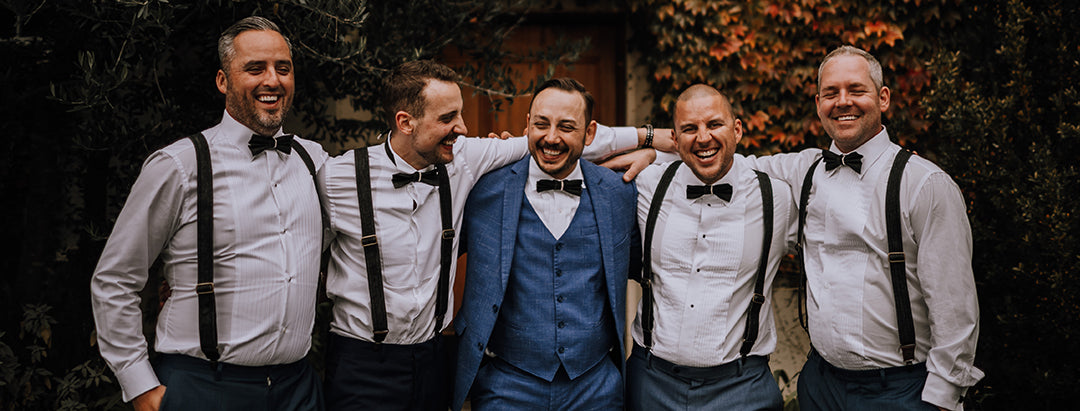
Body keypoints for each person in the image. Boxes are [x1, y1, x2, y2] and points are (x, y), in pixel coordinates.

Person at [318, 62, 662, 410]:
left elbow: (652, 265)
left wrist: (656, 143)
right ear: (406, 121)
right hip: (474, 379)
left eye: (461, 115)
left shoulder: (615, 193)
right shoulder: (337, 178)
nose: (463, 128)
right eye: (448, 118)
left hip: (588, 385)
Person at [90, 16, 326, 411]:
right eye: (256, 69)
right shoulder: (179, 165)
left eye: (283, 68)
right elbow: (115, 279)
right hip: (203, 387)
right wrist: (140, 384)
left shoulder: (314, 161)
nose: (273, 80)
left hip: (298, 387)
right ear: (223, 81)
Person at [744, 45, 983, 410]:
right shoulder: (803, 170)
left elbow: (954, 308)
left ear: (883, 98)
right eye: (831, 93)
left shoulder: (925, 184)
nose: (843, 102)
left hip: (901, 391)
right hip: (820, 384)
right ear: (818, 103)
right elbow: (724, 164)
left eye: (856, 90)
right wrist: (653, 142)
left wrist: (941, 399)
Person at [452, 78, 638, 410]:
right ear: (527, 125)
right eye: (541, 124)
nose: (551, 138)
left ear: (590, 133)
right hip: (506, 384)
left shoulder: (620, 192)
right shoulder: (482, 189)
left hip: (596, 387)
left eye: (566, 127)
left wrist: (652, 150)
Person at [625, 84, 797, 410]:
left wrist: (895, 165)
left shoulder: (778, 197)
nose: (703, 138)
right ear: (674, 140)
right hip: (651, 384)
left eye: (714, 124)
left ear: (738, 130)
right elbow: (574, 147)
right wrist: (648, 140)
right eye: (689, 129)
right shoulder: (648, 184)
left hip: (743, 389)